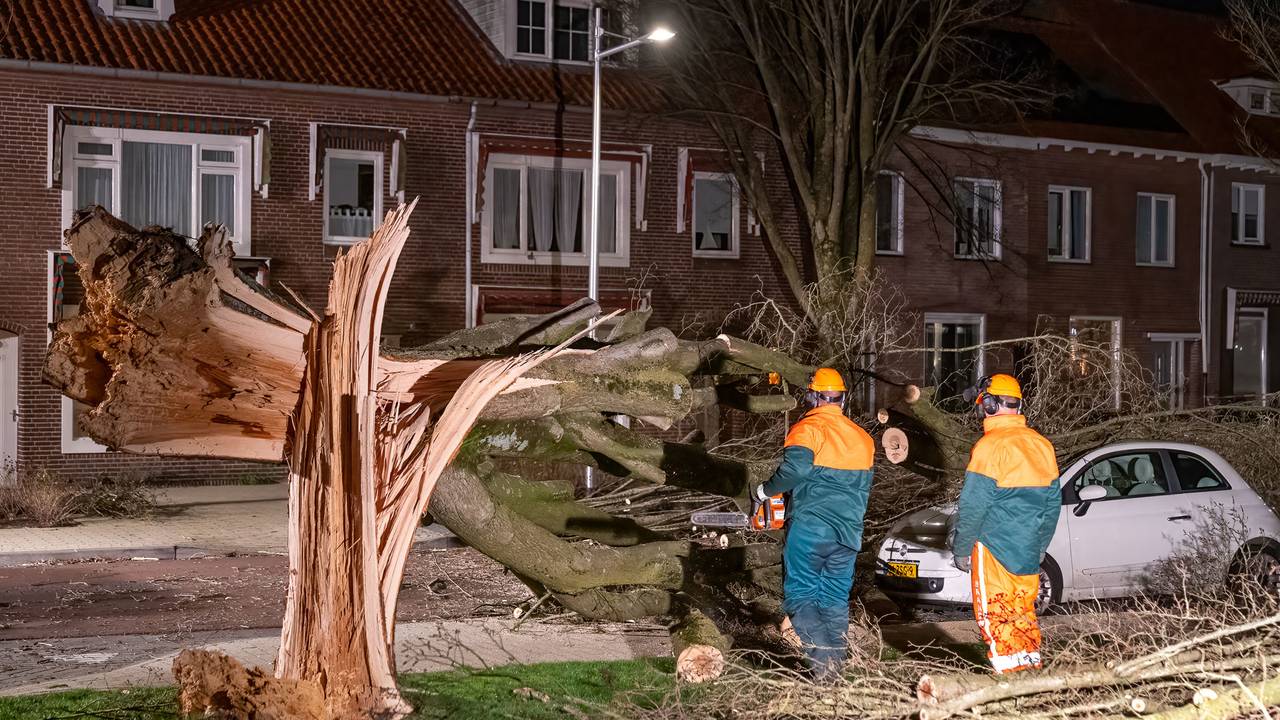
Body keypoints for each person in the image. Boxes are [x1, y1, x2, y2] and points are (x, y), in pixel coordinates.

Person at [753, 368, 874, 680]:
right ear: (842, 399)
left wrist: (764, 491)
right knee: (833, 599)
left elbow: (795, 471)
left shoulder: (807, 429)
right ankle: (836, 671)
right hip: (848, 534)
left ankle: (823, 666)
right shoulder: (863, 438)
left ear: (812, 396)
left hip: (811, 529)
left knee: (802, 597)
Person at [949, 373, 1060, 674]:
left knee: (995, 618)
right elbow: (1052, 506)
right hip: (1027, 550)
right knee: (1023, 616)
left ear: (988, 404)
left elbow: (973, 507)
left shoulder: (989, 447)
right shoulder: (1042, 446)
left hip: (994, 549)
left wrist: (961, 548)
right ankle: (1030, 679)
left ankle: (1008, 685)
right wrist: (1039, 546)